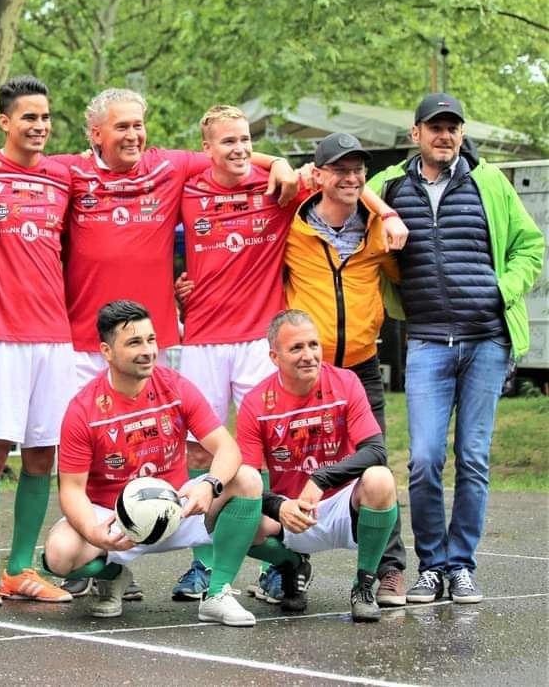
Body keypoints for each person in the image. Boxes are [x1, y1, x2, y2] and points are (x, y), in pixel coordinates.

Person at [171, 105, 405, 601]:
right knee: (201, 452)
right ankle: (203, 564)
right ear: (206, 148)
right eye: (227, 141)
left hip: (261, 335)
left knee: (273, 446)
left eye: (245, 140)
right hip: (203, 335)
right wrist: (174, 286)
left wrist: (386, 212)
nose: (239, 149)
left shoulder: (278, 185)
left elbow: (342, 181)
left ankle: (281, 564)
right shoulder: (187, 185)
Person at [368, 93, 544, 604]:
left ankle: (461, 565)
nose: (444, 136)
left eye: (453, 128)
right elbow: (349, 196)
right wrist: (384, 211)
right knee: (424, 459)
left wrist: (503, 289)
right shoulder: (390, 185)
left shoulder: (490, 182)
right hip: (427, 341)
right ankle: (432, 567)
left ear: (462, 134)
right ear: (416, 133)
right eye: (435, 127)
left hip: (487, 340)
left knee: (472, 457)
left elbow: (530, 246)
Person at [42, 300, 262, 625]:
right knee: (59, 554)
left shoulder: (176, 386)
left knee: (248, 481)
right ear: (106, 351)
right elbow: (72, 489)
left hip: (178, 506)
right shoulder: (83, 409)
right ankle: (113, 575)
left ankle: (218, 593)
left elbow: (228, 449)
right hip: (114, 518)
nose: (148, 351)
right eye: (134, 342)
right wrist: (93, 531)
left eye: (151, 339)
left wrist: (208, 485)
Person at [57, 91, 298, 387]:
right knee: (81, 418)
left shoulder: (169, 166)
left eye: (138, 125)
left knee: (153, 417)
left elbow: (224, 154)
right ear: (97, 134)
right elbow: (22, 166)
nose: (133, 135)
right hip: (85, 340)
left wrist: (277, 162)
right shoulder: (70, 171)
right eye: (122, 127)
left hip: (151, 340)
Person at [282, 132, 408, 604]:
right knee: (287, 464)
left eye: (358, 170)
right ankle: (286, 565)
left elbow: (403, 277)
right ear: (318, 175)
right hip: (304, 371)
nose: (351, 178)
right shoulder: (292, 225)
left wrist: (390, 216)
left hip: (359, 367)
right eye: (340, 169)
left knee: (377, 465)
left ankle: (387, 570)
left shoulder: (377, 228)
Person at [0, 76, 74, 606]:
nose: (40, 126)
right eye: (29, 117)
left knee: (41, 457)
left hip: (56, 337)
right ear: (5, 121)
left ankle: (19, 568)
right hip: (2, 337)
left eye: (45, 117)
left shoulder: (63, 175)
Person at [237, 310, 400, 622]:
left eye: (313, 345)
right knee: (232, 517)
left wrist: (321, 479)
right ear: (274, 357)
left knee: (380, 479)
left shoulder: (346, 382)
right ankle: (290, 565)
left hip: (343, 507)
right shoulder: (256, 402)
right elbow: (247, 481)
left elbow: (376, 450)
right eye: (296, 348)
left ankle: (363, 586)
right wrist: (278, 507)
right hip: (293, 512)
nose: (309, 355)